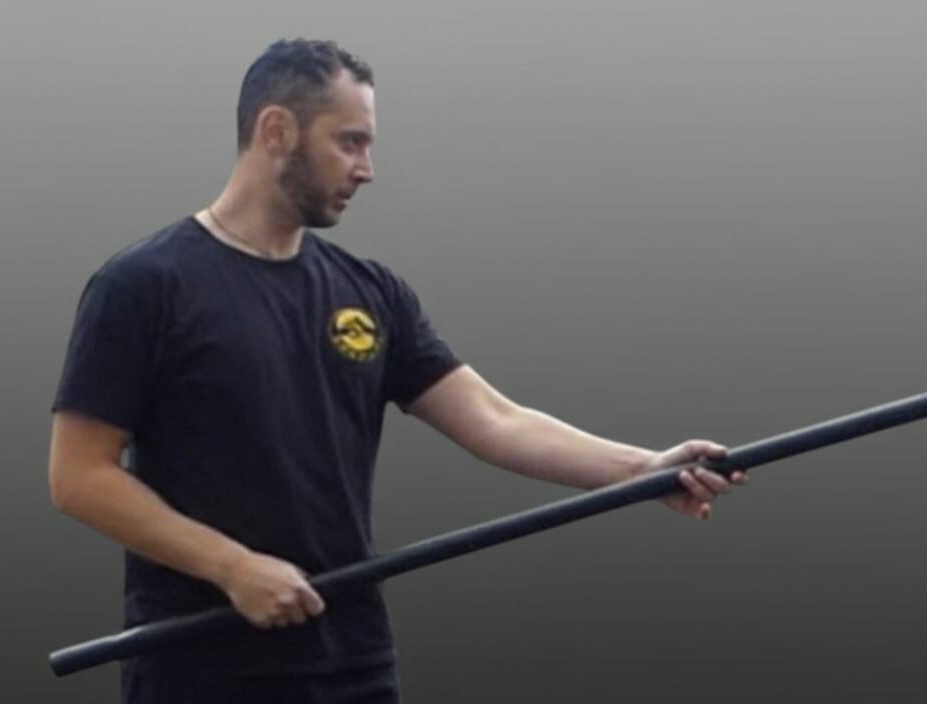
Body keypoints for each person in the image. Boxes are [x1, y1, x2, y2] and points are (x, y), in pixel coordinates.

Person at [48, 38, 747, 703]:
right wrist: (232, 567)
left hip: (351, 661)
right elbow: (78, 477)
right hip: (201, 668)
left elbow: (494, 419)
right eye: (349, 142)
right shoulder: (145, 286)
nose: (366, 168)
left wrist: (642, 470)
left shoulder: (370, 292)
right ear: (276, 130)